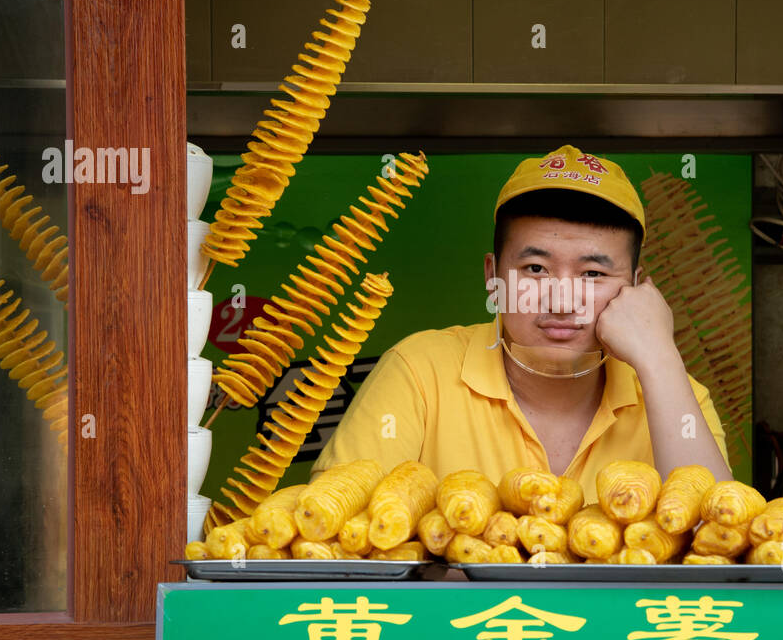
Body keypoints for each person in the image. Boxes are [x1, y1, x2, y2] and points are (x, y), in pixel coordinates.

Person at [310, 144, 732, 504]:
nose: (562, 300)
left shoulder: (673, 391)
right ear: (493, 276)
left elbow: (718, 543)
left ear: (637, 288)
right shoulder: (420, 370)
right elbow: (333, 528)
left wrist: (659, 357)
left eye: (593, 275)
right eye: (535, 268)